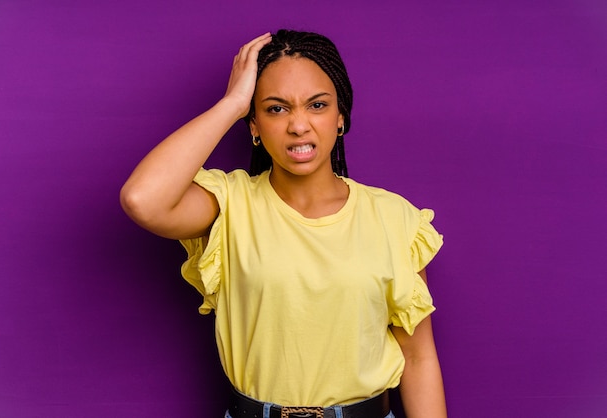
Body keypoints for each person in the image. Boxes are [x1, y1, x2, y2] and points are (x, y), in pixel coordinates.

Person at [120, 29, 447, 418]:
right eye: (276, 108)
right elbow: (142, 200)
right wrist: (232, 103)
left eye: (317, 105)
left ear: (340, 116)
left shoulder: (395, 218)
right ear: (254, 125)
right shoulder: (230, 203)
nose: (298, 125)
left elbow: (419, 358)